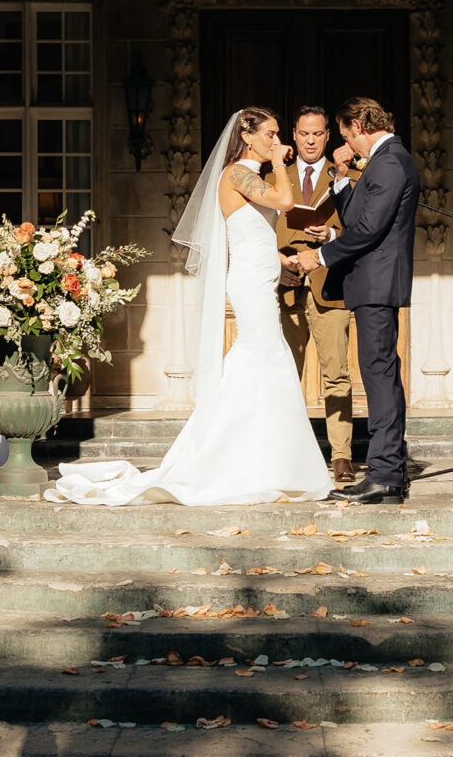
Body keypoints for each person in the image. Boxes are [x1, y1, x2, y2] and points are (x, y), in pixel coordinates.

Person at [44, 108, 333, 506]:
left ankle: (257, 459)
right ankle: (232, 457)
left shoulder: (251, 177)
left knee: (260, 365)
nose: (275, 141)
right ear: (247, 137)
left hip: (262, 280)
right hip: (249, 285)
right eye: (270, 134)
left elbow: (253, 234)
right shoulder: (237, 174)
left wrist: (282, 261)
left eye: (278, 135)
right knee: (266, 359)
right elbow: (285, 201)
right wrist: (285, 161)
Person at [296, 96, 420, 504]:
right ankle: (389, 473)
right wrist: (342, 175)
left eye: (347, 134)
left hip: (377, 284)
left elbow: (368, 229)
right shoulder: (383, 162)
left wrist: (321, 255)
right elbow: (357, 217)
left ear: (358, 125)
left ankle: (385, 472)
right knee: (378, 372)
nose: (348, 144)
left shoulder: (388, 161)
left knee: (379, 375)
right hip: (371, 284)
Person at [272, 105, 355, 482]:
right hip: (286, 288)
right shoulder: (276, 177)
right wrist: (278, 269)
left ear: (327, 136)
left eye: (318, 134)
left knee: (336, 373)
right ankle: (289, 452)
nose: (310, 140)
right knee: (285, 374)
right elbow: (257, 234)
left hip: (330, 284)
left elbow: (361, 229)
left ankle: (341, 455)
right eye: (304, 134)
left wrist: (333, 237)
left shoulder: (347, 177)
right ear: (294, 134)